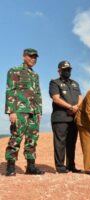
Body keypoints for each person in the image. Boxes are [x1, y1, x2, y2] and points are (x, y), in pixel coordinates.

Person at [5, 48, 44, 176]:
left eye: (35, 57)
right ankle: (10, 167)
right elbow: (10, 91)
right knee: (16, 136)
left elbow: (38, 94)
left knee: (32, 139)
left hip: (33, 112)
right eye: (30, 56)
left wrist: (39, 112)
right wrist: (11, 111)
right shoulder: (14, 71)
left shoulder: (35, 75)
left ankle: (30, 167)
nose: (33, 59)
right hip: (19, 110)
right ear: (24, 57)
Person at [49, 60, 83, 173]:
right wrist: (70, 107)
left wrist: (77, 107)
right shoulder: (54, 83)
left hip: (74, 118)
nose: (67, 71)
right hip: (60, 118)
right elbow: (56, 98)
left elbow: (80, 97)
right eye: (64, 70)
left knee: (71, 142)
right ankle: (60, 166)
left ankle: (71, 165)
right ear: (59, 71)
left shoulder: (75, 83)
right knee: (60, 143)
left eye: (69, 69)